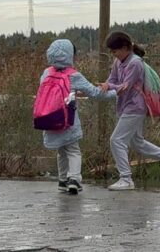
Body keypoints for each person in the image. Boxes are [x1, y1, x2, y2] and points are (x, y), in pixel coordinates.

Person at [100, 31, 160, 191]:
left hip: (135, 106)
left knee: (116, 140)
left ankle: (126, 178)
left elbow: (125, 87)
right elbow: (112, 79)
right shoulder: (118, 61)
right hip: (125, 106)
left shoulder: (135, 63)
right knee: (137, 143)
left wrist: (109, 86)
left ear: (125, 48)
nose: (113, 54)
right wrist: (103, 86)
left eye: (115, 51)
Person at [39, 39, 116, 195]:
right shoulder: (74, 75)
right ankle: (74, 179)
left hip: (50, 118)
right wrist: (116, 93)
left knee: (61, 150)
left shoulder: (47, 73)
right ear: (70, 56)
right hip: (68, 121)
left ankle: (62, 180)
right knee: (73, 150)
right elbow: (95, 93)